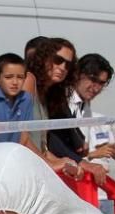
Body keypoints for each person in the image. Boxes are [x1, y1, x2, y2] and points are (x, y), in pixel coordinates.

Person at [22, 37, 83, 177]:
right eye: (58, 60)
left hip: (34, 170)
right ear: (43, 58)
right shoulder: (28, 80)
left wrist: (66, 162)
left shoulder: (45, 94)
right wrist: (50, 163)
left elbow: (40, 146)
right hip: (21, 170)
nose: (62, 68)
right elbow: (20, 136)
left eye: (68, 65)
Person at [69, 53, 115, 186]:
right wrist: (92, 155)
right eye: (93, 80)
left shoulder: (86, 105)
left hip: (90, 184)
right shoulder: (64, 103)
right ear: (78, 74)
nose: (96, 88)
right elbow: (57, 149)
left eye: (101, 83)